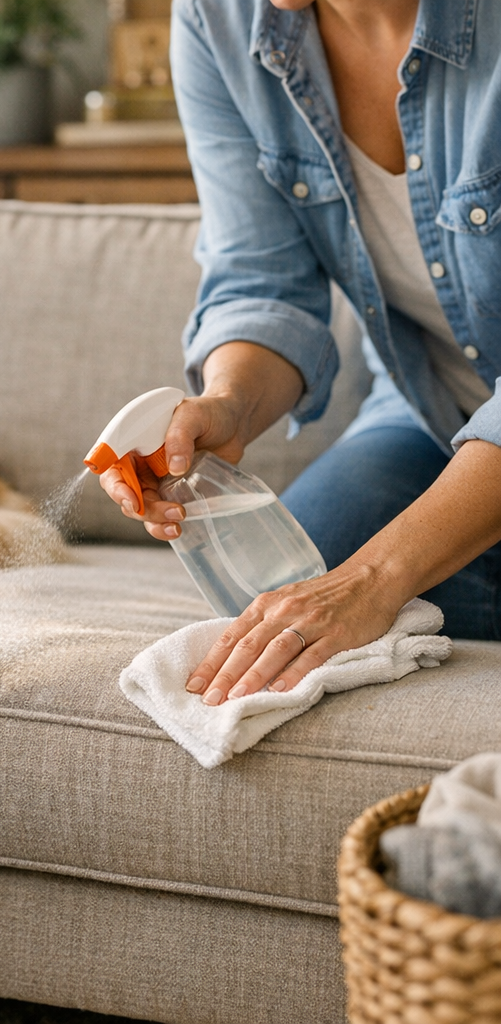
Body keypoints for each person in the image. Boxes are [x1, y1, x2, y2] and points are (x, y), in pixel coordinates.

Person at [100, 0, 501, 707]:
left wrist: (378, 577)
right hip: (428, 404)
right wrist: (227, 404)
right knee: (295, 573)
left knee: (356, 584)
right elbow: (264, 280)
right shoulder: (220, 20)